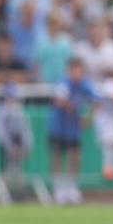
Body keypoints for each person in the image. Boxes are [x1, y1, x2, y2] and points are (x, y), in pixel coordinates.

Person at [48, 58, 96, 204]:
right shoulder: (63, 84)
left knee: (74, 157)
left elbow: (97, 101)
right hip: (59, 126)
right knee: (57, 156)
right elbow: (60, 101)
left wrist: (87, 118)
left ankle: (71, 187)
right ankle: (58, 188)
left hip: (73, 129)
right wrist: (74, 108)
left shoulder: (85, 85)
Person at [0, 83, 33, 195]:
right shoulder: (0, 110)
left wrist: (27, 145)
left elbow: (25, 129)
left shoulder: (19, 110)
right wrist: (8, 146)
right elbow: (0, 130)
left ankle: (18, 192)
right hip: (6, 144)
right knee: (5, 169)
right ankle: (3, 193)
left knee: (18, 169)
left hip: (18, 143)